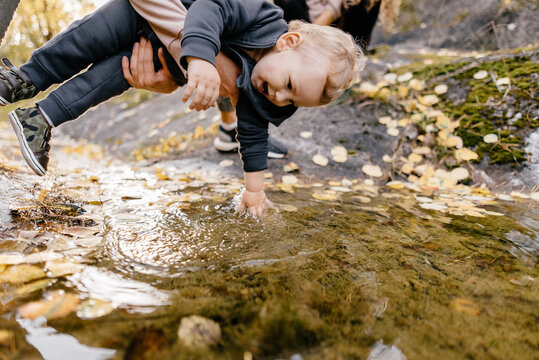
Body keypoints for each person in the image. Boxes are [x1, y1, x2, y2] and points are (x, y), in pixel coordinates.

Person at [0, 0, 364, 216]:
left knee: (113, 76)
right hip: (155, 16)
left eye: (292, 101)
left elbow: (253, 140)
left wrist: (254, 192)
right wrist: (200, 59)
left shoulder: (263, 95)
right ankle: (22, 80)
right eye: (289, 86)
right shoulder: (261, 13)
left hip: (163, 59)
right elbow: (211, 7)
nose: (280, 97)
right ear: (288, 42)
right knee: (87, 40)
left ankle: (41, 119)